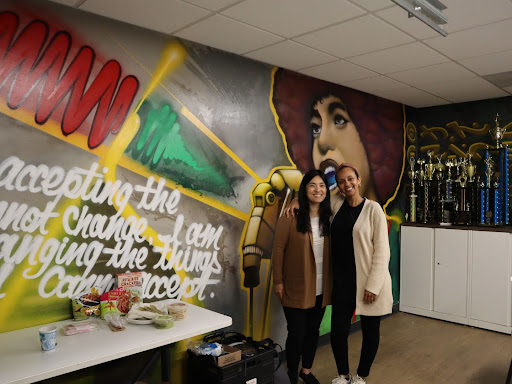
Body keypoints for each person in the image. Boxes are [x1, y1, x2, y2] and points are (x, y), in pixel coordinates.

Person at [286, 163, 393, 384]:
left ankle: (360, 376)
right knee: (337, 333)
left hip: (368, 283)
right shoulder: (335, 204)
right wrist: (297, 200)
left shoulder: (374, 210)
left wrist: (373, 286)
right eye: (342, 181)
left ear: (359, 179)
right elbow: (313, 199)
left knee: (370, 333)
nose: (347, 184)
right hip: (342, 283)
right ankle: (343, 375)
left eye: (350, 179)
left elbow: (382, 252)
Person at [272, 169, 333, 384]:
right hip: (296, 286)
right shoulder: (291, 215)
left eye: (322, 185)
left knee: (313, 331)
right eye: (312, 185)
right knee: (297, 333)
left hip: (321, 287)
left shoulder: (330, 217)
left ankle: (305, 371)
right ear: (305, 189)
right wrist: (277, 281)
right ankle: (291, 372)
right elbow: (278, 248)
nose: (318, 190)